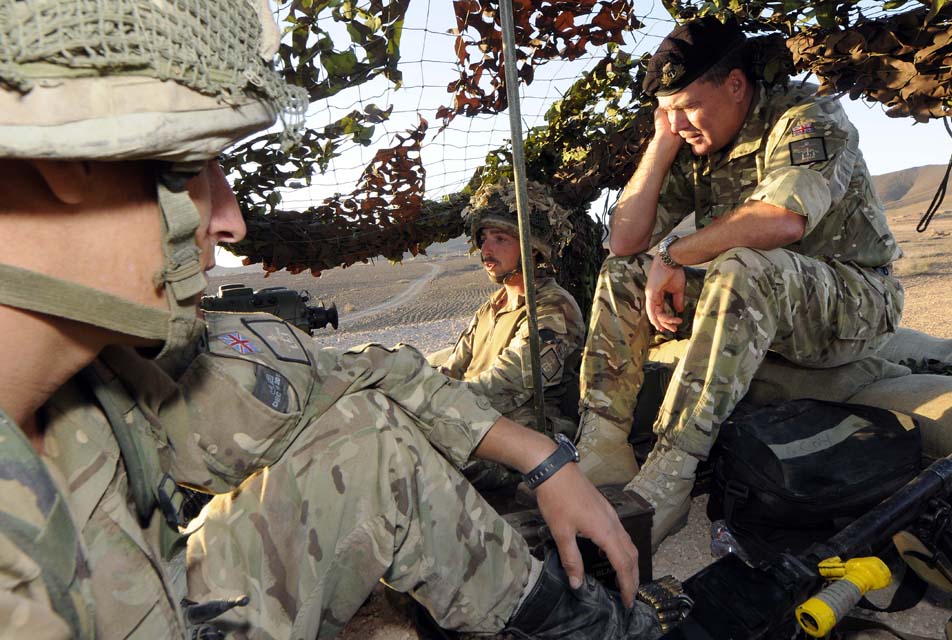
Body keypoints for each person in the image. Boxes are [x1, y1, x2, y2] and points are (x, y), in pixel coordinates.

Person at [0, 2, 662, 639]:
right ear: (73, 167)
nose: (230, 221)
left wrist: (541, 457)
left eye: (497, 239)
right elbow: (433, 371)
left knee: (372, 440)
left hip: (161, 599)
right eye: (194, 168)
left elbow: (358, 380)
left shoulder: (117, 374)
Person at [576, 17, 903, 548]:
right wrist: (662, 141)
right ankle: (604, 442)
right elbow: (624, 241)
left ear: (735, 84)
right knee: (624, 275)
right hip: (764, 298)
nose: (678, 121)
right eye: (666, 109)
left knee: (744, 264)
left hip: (855, 302)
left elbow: (781, 219)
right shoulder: (694, 141)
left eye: (686, 105)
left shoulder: (805, 118)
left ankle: (671, 472)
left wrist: (677, 254)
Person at [438, 179, 585, 488]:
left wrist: (438, 403)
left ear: (532, 249)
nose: (486, 250)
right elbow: (455, 367)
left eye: (500, 239)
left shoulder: (552, 307)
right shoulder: (491, 308)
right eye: (484, 239)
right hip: (477, 421)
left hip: (522, 435)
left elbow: (508, 383)